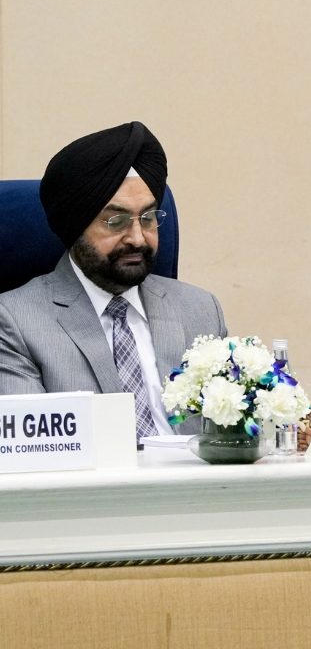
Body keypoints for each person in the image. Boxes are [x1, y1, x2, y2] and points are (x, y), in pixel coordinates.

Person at [0, 122, 226, 441]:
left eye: (148, 218)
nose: (137, 238)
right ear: (75, 226)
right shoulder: (15, 321)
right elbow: (33, 453)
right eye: (116, 221)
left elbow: (232, 437)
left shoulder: (200, 310)